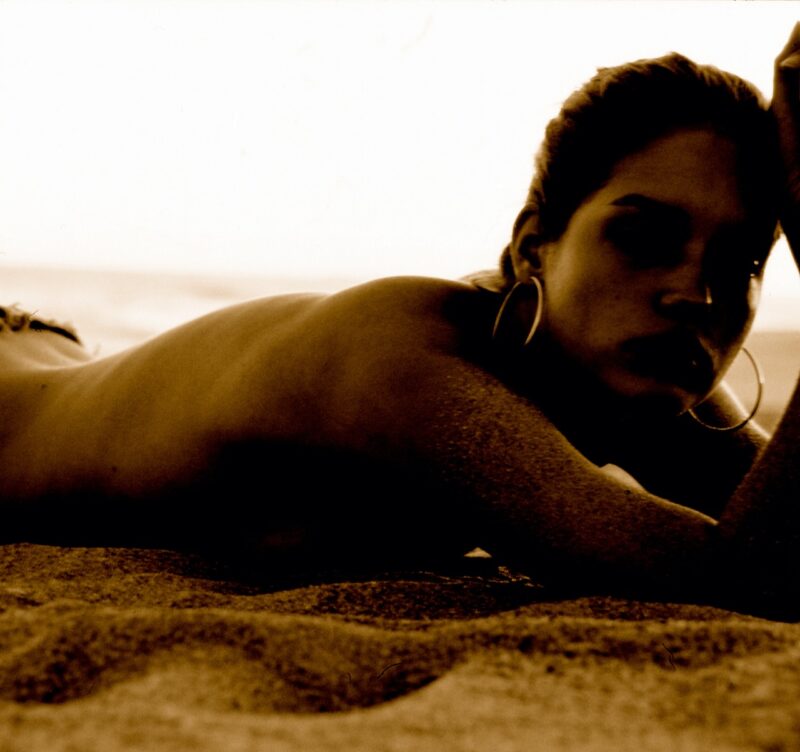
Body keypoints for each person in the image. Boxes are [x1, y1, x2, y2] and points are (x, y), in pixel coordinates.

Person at [2, 26, 800, 618]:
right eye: (644, 237)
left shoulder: (641, 373)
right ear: (534, 246)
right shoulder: (406, 357)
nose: (695, 293)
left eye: (741, 264)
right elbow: (740, 580)